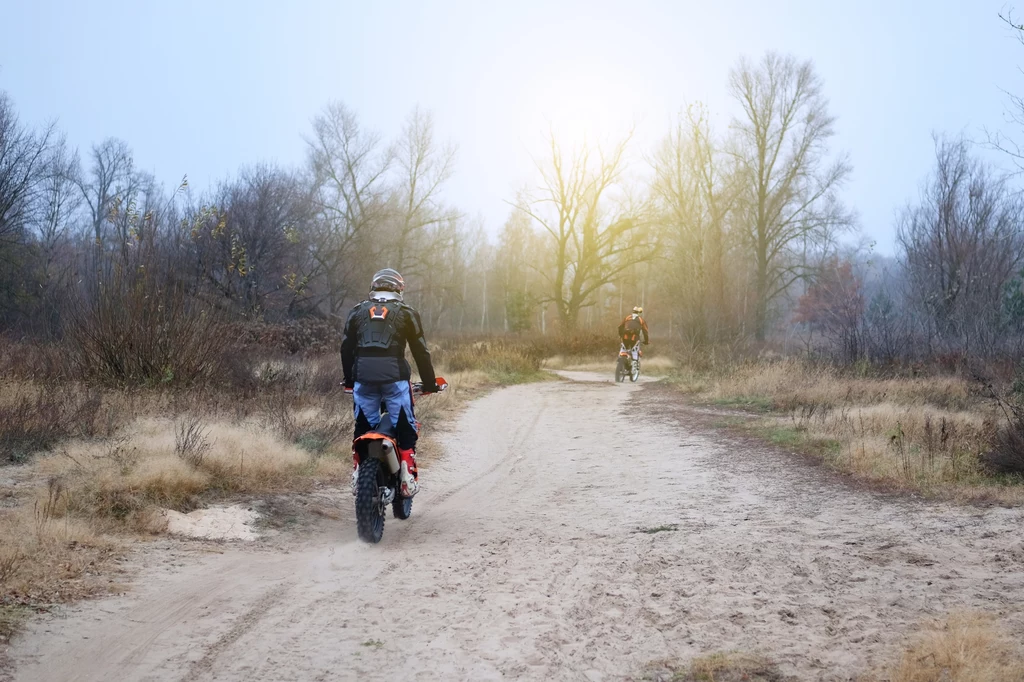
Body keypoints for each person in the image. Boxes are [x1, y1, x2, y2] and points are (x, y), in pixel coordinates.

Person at [341, 268, 438, 497]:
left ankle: (358, 473)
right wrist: (430, 383)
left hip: (363, 379)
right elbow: (421, 352)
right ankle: (406, 477)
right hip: (395, 379)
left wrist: (349, 380)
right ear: (399, 289)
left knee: (363, 426)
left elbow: (346, 349)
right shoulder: (407, 312)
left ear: (373, 288)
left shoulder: (357, 311)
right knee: (406, 426)